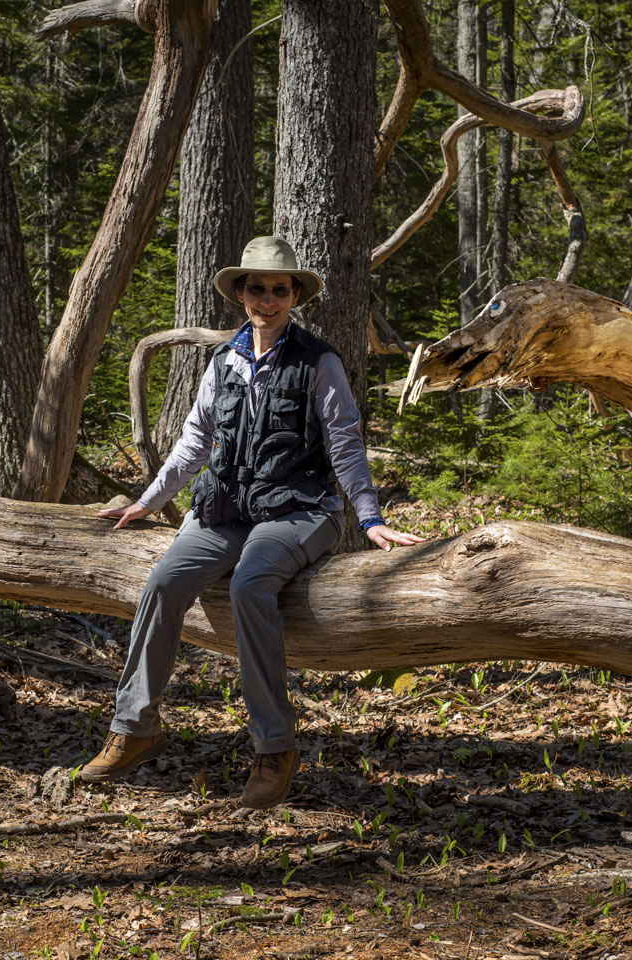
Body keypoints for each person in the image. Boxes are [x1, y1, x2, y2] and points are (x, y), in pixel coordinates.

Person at [87, 236, 425, 808]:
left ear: (295, 295)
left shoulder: (319, 361)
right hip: (225, 510)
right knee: (165, 583)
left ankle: (274, 747)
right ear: (240, 294)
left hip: (300, 511)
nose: (266, 299)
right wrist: (148, 500)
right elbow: (195, 441)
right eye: (256, 288)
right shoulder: (223, 362)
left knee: (249, 584)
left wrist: (369, 518)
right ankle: (134, 728)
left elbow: (344, 442)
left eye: (279, 289)